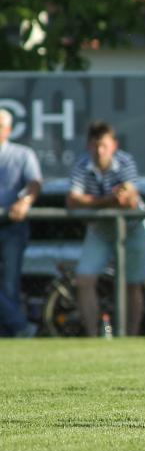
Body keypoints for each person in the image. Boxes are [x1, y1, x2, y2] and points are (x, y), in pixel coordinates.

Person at [67, 121, 145, 336]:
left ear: (114, 145)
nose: (99, 150)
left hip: (131, 228)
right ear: (88, 146)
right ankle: (93, 336)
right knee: (84, 279)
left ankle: (132, 336)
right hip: (100, 230)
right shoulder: (81, 165)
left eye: (103, 145)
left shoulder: (125, 161)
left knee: (133, 284)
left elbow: (129, 199)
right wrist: (108, 200)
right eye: (94, 145)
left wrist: (92, 201)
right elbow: (72, 201)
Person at [0, 109, 42, 338]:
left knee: (10, 284)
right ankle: (19, 327)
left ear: (8, 129)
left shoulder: (22, 154)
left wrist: (25, 201)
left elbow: (35, 184)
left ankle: (11, 333)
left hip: (13, 226)